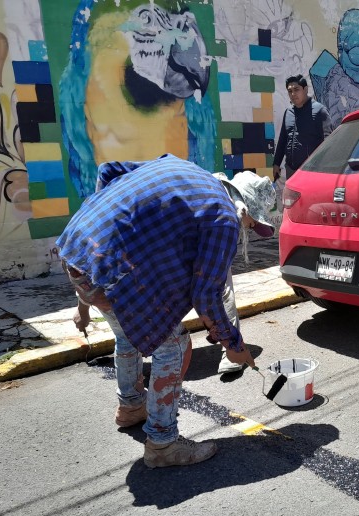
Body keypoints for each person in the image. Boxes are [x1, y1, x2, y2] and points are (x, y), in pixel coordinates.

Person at [58, 154, 257, 468]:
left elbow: (108, 169)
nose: (247, 231)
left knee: (127, 333)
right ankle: (162, 444)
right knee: (175, 344)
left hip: (77, 246)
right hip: (108, 273)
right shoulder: (224, 219)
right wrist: (234, 346)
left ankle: (132, 406)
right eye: (251, 225)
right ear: (244, 208)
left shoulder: (183, 168)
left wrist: (110, 225)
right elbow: (206, 295)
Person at [212, 171, 276, 374]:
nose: (252, 226)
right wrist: (234, 347)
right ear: (247, 204)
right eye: (255, 221)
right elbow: (218, 291)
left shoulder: (217, 191)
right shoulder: (227, 215)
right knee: (223, 289)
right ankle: (232, 350)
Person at [272, 74, 333, 181]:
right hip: (291, 169)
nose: (293, 94)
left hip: (312, 171)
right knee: (292, 198)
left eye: (296, 89)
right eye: (290, 91)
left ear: (305, 89)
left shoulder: (319, 111)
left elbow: (328, 142)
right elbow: (283, 140)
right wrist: (276, 163)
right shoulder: (288, 112)